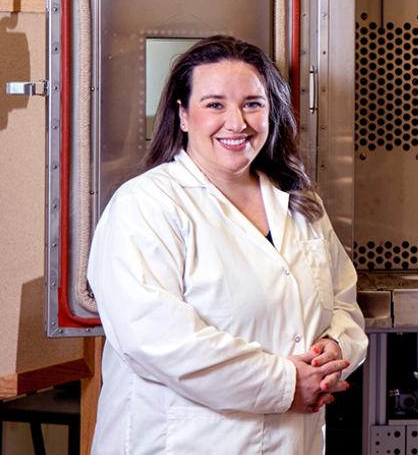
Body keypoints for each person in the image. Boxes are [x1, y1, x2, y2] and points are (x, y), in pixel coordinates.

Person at [87, 36, 367, 454]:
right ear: (182, 115)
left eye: (253, 104)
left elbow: (343, 300)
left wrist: (336, 350)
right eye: (214, 104)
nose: (236, 123)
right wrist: (286, 384)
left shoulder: (298, 202)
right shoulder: (145, 204)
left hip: (291, 440)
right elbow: (158, 340)